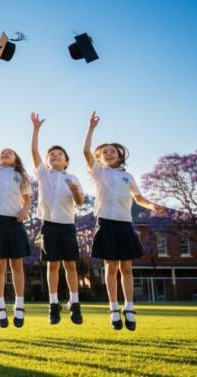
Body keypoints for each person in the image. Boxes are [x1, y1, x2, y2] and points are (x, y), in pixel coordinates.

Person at [84, 111, 161, 331]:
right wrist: (91, 128)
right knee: (111, 268)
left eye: (112, 151)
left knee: (126, 268)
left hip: (125, 225)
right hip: (106, 224)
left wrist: (152, 206)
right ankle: (113, 308)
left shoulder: (128, 177)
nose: (108, 153)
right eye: (104, 152)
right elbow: (85, 151)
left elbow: (139, 198)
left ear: (120, 156)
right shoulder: (98, 172)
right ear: (100, 158)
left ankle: (129, 307)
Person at [30, 112, 84, 325]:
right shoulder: (44, 174)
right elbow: (34, 151)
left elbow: (79, 202)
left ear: (66, 162)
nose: (54, 156)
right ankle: (53, 305)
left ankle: (75, 303)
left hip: (67, 225)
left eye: (59, 155)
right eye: (51, 155)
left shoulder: (73, 178)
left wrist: (75, 191)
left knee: (71, 266)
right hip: (49, 225)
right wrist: (36, 129)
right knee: (52, 266)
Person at [0, 108, 32, 328]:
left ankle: (19, 306)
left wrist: (24, 210)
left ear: (15, 160)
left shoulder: (20, 175)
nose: (5, 153)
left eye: (9, 152)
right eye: (2, 152)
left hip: (15, 223)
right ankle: (0, 306)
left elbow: (27, 199)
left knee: (17, 266)